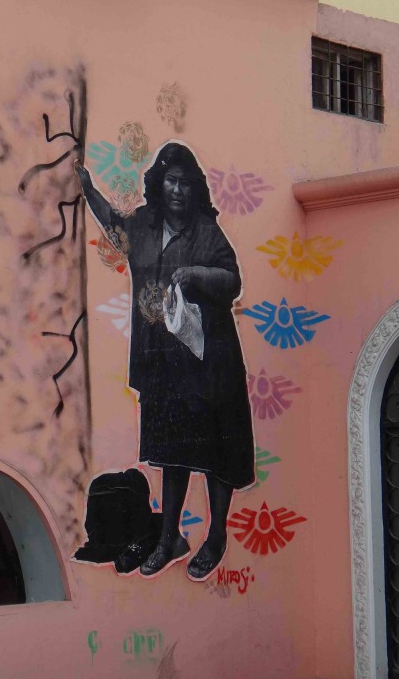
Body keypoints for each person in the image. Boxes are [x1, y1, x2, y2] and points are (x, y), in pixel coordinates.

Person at [74, 141, 255, 580]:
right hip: (162, 361)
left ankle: (216, 536)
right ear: (159, 183)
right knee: (172, 450)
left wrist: (197, 274)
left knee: (216, 451)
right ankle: (169, 536)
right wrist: (87, 189)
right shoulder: (144, 225)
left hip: (209, 360)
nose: (177, 190)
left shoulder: (206, 232)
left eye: (185, 183)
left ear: (195, 189)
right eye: (171, 181)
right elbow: (114, 226)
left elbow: (232, 280)